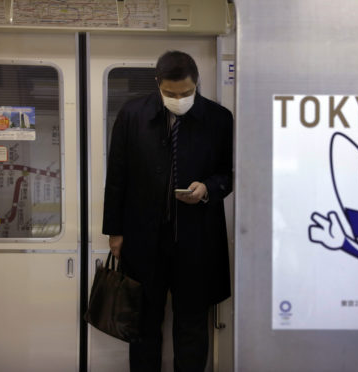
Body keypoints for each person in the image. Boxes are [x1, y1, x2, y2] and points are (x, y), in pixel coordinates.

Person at [102, 51, 233, 372]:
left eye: (186, 93)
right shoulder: (132, 115)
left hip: (197, 240)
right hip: (143, 238)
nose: (179, 99)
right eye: (171, 94)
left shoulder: (218, 118)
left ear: (197, 83)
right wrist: (115, 232)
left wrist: (207, 189)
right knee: (143, 324)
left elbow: (227, 174)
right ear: (158, 84)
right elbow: (117, 177)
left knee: (192, 324)